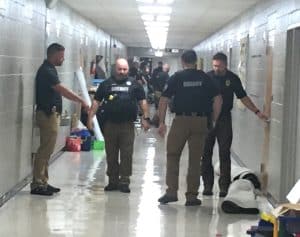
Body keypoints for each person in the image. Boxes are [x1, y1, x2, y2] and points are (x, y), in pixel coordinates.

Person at [157, 50, 222, 206]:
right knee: (195, 159)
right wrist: (214, 118)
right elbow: (218, 99)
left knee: (173, 155)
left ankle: (172, 192)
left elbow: (164, 99)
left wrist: (161, 122)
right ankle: (192, 196)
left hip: (180, 120)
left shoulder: (177, 77)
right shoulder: (205, 78)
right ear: (196, 61)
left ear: (182, 61)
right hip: (200, 120)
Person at [202, 52, 268, 198]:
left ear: (225, 64)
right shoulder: (207, 77)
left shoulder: (232, 79)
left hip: (224, 119)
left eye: (219, 66)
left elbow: (243, 97)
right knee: (206, 153)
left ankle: (224, 187)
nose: (216, 68)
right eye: (214, 65)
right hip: (208, 119)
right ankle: (207, 186)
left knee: (224, 153)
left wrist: (257, 112)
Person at [32, 43, 89, 196]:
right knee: (45, 150)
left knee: (48, 149)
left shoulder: (50, 70)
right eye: (61, 56)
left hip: (51, 114)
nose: (63, 59)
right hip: (47, 115)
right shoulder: (47, 71)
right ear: (54, 54)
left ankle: (43, 181)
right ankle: (37, 183)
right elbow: (62, 90)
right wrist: (80, 100)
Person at [87, 58, 150, 193]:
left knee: (127, 153)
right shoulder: (106, 84)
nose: (122, 72)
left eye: (125, 69)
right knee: (111, 153)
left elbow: (142, 102)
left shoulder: (134, 84)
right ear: (115, 69)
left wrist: (145, 118)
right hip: (110, 125)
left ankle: (124, 181)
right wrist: (90, 117)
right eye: (120, 69)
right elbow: (96, 102)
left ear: (128, 69)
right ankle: (112, 181)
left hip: (127, 125)